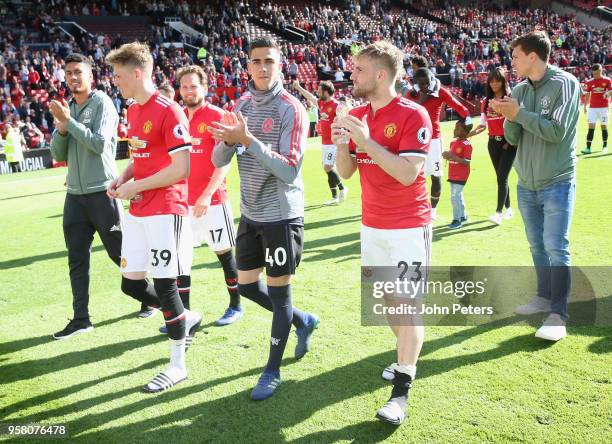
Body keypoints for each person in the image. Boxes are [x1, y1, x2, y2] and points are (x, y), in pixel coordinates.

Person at [210, 37, 319, 401]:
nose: (262, 67)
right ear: (248, 66)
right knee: (245, 286)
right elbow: (217, 161)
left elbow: (289, 171)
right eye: (256, 61)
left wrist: (249, 139)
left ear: (280, 65)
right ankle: (302, 320)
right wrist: (228, 141)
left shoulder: (292, 109)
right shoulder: (239, 105)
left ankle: (272, 370)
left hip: (281, 216)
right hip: (251, 214)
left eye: (268, 61)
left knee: (279, 292)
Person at [332, 41, 433, 426]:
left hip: (408, 227)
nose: (351, 74)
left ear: (379, 74)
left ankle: (401, 394)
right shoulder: (357, 114)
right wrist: (344, 143)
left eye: (358, 69)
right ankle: (405, 358)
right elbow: (345, 172)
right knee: (391, 305)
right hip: (372, 226)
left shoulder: (413, 114)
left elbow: (408, 173)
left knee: (408, 308)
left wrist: (364, 140)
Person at [106, 42, 202, 392]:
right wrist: (124, 178)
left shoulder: (169, 110)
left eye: (118, 76)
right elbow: (141, 154)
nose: (115, 81)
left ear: (136, 73)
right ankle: (187, 317)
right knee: (130, 283)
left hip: (167, 208)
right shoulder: (132, 110)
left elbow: (181, 168)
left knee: (165, 285)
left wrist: (137, 186)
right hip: (139, 207)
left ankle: (177, 365)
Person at [490, 31, 581, 342]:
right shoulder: (518, 89)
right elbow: (513, 139)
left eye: (515, 56)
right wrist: (507, 116)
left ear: (532, 56)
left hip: (557, 180)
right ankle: (543, 297)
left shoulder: (565, 83)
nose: (511, 62)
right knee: (537, 246)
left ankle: (559, 315)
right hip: (526, 183)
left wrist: (519, 113)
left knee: (557, 247)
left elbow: (556, 132)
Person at [48, 53, 127, 340]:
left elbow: (98, 144)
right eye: (68, 73)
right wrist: (60, 129)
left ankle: (150, 298)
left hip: (102, 192)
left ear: (90, 76)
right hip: (75, 197)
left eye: (78, 72)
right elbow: (57, 155)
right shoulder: (67, 108)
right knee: (76, 259)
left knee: (120, 254)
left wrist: (70, 123)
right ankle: (81, 319)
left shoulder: (102, 103)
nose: (73, 77)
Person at [170, 64, 244, 327]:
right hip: (182, 203)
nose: (189, 91)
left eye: (194, 86)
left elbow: (224, 162)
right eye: (185, 86)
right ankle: (185, 314)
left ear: (205, 87)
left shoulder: (218, 116)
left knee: (224, 253)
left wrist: (206, 195)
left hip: (211, 201)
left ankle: (236, 305)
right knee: (181, 259)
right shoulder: (177, 117)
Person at [401, 65, 471, 220]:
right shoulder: (412, 94)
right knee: (413, 176)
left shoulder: (440, 91)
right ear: (417, 83)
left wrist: (467, 116)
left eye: (427, 82)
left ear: (431, 79)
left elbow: (457, 105)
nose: (425, 86)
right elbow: (402, 112)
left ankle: (433, 211)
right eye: (422, 83)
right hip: (414, 140)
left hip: (434, 140)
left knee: (436, 176)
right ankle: (415, 206)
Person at [469, 67, 517, 225]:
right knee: (501, 177)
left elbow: (516, 122)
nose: (494, 84)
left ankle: (498, 213)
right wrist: (467, 135)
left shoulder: (510, 98)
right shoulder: (486, 102)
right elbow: (482, 125)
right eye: (492, 81)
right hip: (492, 143)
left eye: (498, 80)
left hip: (508, 143)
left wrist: (509, 141)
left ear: (503, 81)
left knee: (502, 177)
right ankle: (509, 208)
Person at [293, 79, 348, 205]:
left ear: (326, 92)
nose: (317, 92)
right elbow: (310, 96)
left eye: (319, 90)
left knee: (328, 166)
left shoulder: (336, 105)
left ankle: (343, 189)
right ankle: (334, 197)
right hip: (324, 143)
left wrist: (343, 140)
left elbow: (345, 121)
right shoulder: (321, 103)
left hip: (334, 142)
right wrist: (298, 88)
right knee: (327, 168)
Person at [442, 119, 473, 229]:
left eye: (457, 128)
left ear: (464, 131)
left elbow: (467, 161)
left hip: (461, 174)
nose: (454, 130)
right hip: (452, 173)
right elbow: (452, 156)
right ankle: (463, 216)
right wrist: (446, 155)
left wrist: (452, 156)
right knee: (458, 195)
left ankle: (457, 220)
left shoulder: (467, 144)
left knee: (454, 197)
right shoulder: (453, 143)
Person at [581, 64, 611, 154]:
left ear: (601, 71)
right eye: (594, 74)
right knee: (591, 127)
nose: (596, 75)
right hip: (593, 108)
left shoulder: (607, 80)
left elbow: (610, 91)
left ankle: (605, 146)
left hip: (604, 108)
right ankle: (588, 148)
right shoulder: (590, 82)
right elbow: (587, 95)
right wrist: (585, 106)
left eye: (597, 73)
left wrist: (607, 94)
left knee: (603, 126)